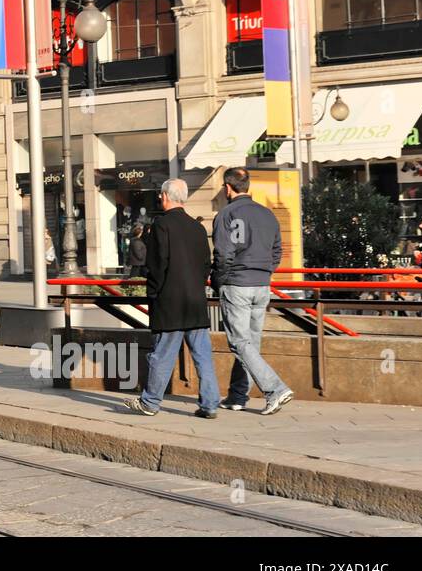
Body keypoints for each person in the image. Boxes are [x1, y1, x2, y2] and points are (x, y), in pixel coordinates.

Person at [125, 178, 220, 418]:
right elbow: (205, 265)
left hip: (169, 301)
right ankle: (210, 404)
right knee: (203, 356)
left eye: (160, 195)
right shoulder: (198, 227)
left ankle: (150, 402)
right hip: (195, 302)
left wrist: (154, 292)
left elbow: (157, 264)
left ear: (165, 196)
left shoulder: (161, 225)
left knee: (163, 354)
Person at [211, 166, 295, 416]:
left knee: (239, 342)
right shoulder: (267, 214)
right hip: (261, 285)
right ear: (248, 186)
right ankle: (238, 395)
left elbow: (223, 254)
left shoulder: (225, 214)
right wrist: (265, 272)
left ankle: (275, 389)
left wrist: (220, 281)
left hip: (237, 283)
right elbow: (277, 250)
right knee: (250, 343)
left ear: (227, 188)